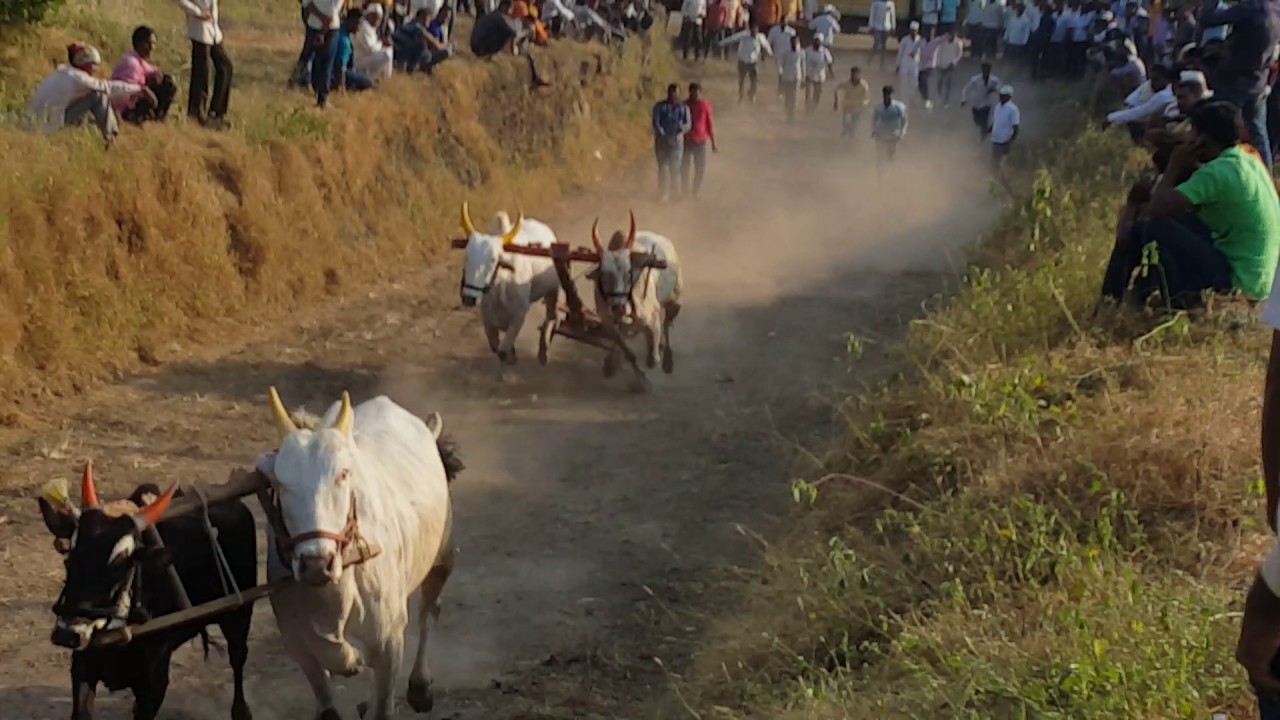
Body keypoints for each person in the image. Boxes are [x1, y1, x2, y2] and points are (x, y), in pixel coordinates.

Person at [1102, 101, 1280, 310]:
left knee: (1152, 229)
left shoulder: (1216, 173)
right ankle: (1143, 301)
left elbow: (1153, 212)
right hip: (1260, 282)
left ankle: (1110, 303)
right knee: (1175, 229)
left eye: (1191, 133)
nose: (1188, 138)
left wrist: (1174, 165)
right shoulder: (1248, 159)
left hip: (1237, 280)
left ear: (1202, 139)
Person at [1197, 0, 1275, 170]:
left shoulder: (1252, 7)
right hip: (1259, 79)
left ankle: (1215, 171)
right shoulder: (1275, 7)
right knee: (1258, 133)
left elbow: (1208, 18)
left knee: (1218, 126)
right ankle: (1266, 176)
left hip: (1235, 78)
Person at [28, 43, 154, 146]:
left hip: (35, 123)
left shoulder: (63, 73)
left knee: (91, 110)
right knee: (99, 96)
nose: (96, 69)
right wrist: (139, 89)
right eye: (94, 65)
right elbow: (107, 87)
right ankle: (112, 139)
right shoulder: (80, 78)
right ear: (86, 64)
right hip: (49, 126)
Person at [177, 0, 232, 126]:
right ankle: (197, 113)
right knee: (202, 73)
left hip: (213, 30)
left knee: (225, 68)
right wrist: (197, 12)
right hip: (199, 29)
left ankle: (217, 112)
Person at [110, 26, 178, 124]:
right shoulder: (131, 64)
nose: (152, 48)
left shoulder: (139, 60)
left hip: (133, 100)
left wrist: (157, 74)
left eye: (153, 44)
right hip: (125, 107)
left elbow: (151, 70)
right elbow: (127, 90)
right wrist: (146, 91)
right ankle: (135, 118)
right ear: (139, 43)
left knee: (167, 82)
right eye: (148, 43)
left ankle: (156, 119)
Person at [471, 1, 548, 87]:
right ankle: (491, 55)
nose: (511, 12)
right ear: (504, 7)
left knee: (506, 34)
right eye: (510, 9)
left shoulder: (495, 15)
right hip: (480, 47)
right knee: (506, 34)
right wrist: (526, 31)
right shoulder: (500, 17)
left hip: (477, 44)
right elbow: (513, 32)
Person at [1106, 63, 1174, 141]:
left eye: (1156, 79)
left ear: (1167, 80)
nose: (1152, 83)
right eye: (1151, 79)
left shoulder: (1165, 95)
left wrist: (1111, 118)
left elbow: (1143, 111)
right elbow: (1131, 101)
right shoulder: (1150, 85)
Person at [652, 83, 692, 201]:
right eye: (671, 92)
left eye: (676, 92)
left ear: (679, 94)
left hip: (677, 141)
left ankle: (676, 194)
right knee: (663, 168)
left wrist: (682, 128)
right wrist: (662, 133)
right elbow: (656, 122)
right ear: (668, 93)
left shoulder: (684, 108)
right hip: (662, 141)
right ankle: (663, 194)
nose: (673, 95)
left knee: (675, 168)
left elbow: (688, 124)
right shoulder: (660, 107)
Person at [720, 20, 772, 103]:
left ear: (757, 30)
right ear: (750, 30)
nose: (754, 32)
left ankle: (752, 94)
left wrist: (770, 53)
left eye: (755, 30)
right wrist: (721, 43)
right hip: (743, 61)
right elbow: (732, 39)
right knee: (742, 80)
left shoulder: (760, 37)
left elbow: (766, 45)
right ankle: (740, 95)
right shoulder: (744, 35)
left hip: (753, 61)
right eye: (752, 30)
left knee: (754, 81)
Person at [682, 82, 717, 199]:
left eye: (697, 92)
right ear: (689, 92)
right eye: (693, 92)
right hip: (686, 140)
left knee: (700, 168)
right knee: (684, 167)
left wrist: (713, 143)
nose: (695, 95)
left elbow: (709, 123)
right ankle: (684, 191)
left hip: (700, 141)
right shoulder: (684, 105)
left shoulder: (705, 105)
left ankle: (695, 192)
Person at [395, 7, 453, 73]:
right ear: (421, 17)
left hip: (399, 52)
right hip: (400, 54)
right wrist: (449, 46)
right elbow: (436, 45)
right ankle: (415, 68)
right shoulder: (418, 27)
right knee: (424, 48)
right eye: (428, 18)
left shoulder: (409, 24)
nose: (430, 21)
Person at [334, 10, 376, 92]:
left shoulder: (340, 31)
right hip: (338, 73)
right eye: (358, 24)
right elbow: (341, 67)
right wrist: (341, 88)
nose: (359, 28)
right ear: (350, 21)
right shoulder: (344, 41)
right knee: (369, 82)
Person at [871, 84, 908, 176]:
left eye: (889, 94)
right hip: (880, 134)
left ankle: (890, 172)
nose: (887, 96)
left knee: (890, 155)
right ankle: (880, 173)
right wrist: (874, 131)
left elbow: (905, 120)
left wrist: (902, 132)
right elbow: (873, 119)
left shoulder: (899, 106)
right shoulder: (878, 107)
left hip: (893, 134)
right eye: (886, 94)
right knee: (880, 155)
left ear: (893, 95)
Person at [960, 61, 1001, 141]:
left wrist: (995, 89)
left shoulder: (994, 80)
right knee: (977, 122)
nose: (986, 71)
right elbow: (965, 89)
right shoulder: (975, 79)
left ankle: (983, 139)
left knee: (983, 123)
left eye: (988, 69)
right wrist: (963, 99)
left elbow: (1001, 89)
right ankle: (983, 134)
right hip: (976, 105)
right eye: (985, 69)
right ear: (982, 70)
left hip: (986, 105)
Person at [354, 3, 395, 79]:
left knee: (389, 50)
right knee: (387, 54)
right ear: (369, 15)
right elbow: (371, 49)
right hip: (360, 60)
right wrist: (382, 44)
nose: (377, 20)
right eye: (375, 16)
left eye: (379, 18)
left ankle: (385, 78)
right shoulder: (364, 27)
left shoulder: (371, 28)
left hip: (367, 57)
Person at [834, 65, 871, 143]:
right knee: (846, 122)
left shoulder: (864, 85)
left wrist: (865, 106)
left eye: (857, 74)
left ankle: (850, 139)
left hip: (859, 107)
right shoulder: (846, 83)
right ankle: (847, 135)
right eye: (853, 74)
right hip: (847, 106)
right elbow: (836, 89)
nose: (855, 76)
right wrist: (836, 101)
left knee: (854, 125)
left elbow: (867, 98)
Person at [897, 21, 925, 107]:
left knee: (914, 84)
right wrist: (898, 65)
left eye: (915, 30)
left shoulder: (920, 40)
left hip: (915, 65)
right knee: (904, 83)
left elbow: (922, 52)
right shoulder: (905, 40)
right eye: (912, 30)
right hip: (905, 64)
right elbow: (900, 52)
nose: (913, 32)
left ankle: (912, 100)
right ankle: (903, 100)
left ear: (917, 31)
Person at [803, 36, 835, 113]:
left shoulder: (824, 51)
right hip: (809, 74)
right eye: (815, 42)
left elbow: (829, 62)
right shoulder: (807, 50)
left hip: (819, 75)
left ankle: (813, 107)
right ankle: (807, 107)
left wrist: (831, 72)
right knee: (808, 93)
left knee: (817, 93)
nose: (817, 44)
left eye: (818, 42)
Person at [933, 30, 963, 107]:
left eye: (953, 34)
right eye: (950, 34)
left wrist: (953, 62)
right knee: (939, 82)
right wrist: (938, 63)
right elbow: (938, 52)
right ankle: (938, 98)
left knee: (948, 84)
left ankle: (946, 101)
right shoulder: (943, 41)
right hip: (941, 65)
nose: (951, 36)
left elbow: (959, 54)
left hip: (950, 66)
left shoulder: (958, 43)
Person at [990, 84, 1020, 164]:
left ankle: (1002, 176)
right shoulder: (998, 106)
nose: (1000, 97)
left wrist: (1010, 141)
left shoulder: (1013, 109)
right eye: (1000, 95)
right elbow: (996, 121)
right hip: (995, 140)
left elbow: (1016, 127)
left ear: (1009, 96)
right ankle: (996, 176)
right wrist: (989, 129)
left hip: (1004, 141)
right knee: (995, 162)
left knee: (1002, 163)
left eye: (1003, 95)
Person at [779, 33, 805, 123]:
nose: (794, 44)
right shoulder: (785, 53)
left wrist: (803, 79)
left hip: (796, 77)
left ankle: (792, 116)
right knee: (787, 97)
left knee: (794, 97)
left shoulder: (801, 53)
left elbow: (803, 66)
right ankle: (788, 114)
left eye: (796, 42)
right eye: (793, 42)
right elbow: (781, 65)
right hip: (787, 77)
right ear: (790, 43)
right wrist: (781, 76)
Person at [768, 20, 797, 97]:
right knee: (780, 73)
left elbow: (795, 43)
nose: (783, 24)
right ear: (779, 22)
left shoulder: (792, 31)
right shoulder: (774, 30)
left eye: (785, 22)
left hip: (789, 56)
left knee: (787, 73)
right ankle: (780, 90)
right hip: (778, 56)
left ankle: (785, 90)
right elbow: (769, 42)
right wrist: (768, 53)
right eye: (782, 22)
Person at [1003, 3, 1034, 77]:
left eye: (1021, 8)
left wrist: (1025, 43)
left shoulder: (1026, 20)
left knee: (1019, 61)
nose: (1019, 10)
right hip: (1011, 42)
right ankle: (1010, 74)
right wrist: (1005, 38)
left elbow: (1026, 33)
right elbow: (1008, 29)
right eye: (1018, 8)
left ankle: (1018, 74)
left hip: (1020, 44)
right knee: (1010, 59)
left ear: (1023, 10)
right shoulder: (1012, 19)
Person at [868, 0, 897, 71]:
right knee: (877, 45)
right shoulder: (875, 3)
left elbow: (892, 15)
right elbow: (872, 14)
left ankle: (882, 64)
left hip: (886, 27)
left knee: (884, 46)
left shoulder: (890, 3)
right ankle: (869, 61)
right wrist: (871, 26)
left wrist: (893, 26)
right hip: (877, 26)